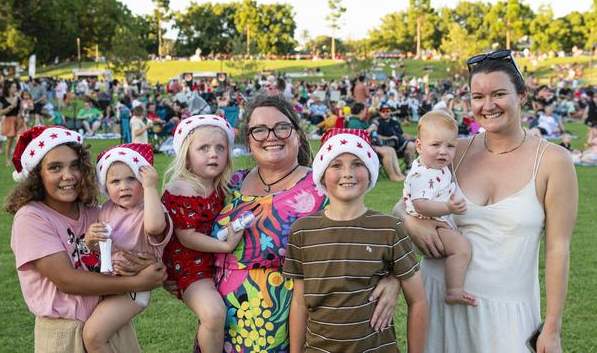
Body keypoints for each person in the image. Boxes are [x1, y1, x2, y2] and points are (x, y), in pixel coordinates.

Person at [395, 50, 577, 352]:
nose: (487, 105)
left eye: (499, 94)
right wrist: (411, 221)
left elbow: (559, 248)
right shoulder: (456, 152)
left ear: (522, 95)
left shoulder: (553, 161)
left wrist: (552, 327)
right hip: (441, 302)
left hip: (508, 315)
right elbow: (406, 201)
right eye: (477, 96)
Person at [200, 95, 401, 353]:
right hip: (220, 325)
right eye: (259, 130)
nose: (271, 136)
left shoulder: (322, 189)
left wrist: (394, 278)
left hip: (288, 327)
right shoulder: (228, 185)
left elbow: (374, 234)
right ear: (248, 140)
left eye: (281, 127)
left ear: (297, 134)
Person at [5, 126, 167, 352]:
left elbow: (135, 244)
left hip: (109, 324)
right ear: (37, 176)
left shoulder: (94, 211)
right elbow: (67, 280)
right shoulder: (32, 218)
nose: (68, 175)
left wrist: (146, 263)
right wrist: (138, 283)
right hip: (63, 332)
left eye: (75, 165)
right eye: (55, 167)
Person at [285, 128, 428, 353]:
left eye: (357, 164)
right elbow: (299, 303)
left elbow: (418, 300)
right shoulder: (302, 231)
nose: (347, 173)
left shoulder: (389, 228)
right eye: (336, 165)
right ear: (322, 174)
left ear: (370, 172)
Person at [162, 115, 243, 353]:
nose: (213, 154)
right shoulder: (183, 188)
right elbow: (187, 236)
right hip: (190, 267)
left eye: (220, 147)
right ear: (186, 154)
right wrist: (226, 246)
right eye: (204, 148)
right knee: (214, 313)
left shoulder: (221, 186)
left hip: (214, 263)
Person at [82, 143, 173, 353]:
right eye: (115, 181)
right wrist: (89, 240)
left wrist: (151, 188)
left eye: (132, 178)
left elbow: (155, 226)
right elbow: (99, 249)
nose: (124, 186)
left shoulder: (149, 209)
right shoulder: (107, 209)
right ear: (105, 186)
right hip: (112, 283)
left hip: (134, 289)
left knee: (93, 336)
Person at [403, 111, 475, 306]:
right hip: (430, 223)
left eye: (450, 146)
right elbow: (420, 204)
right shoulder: (422, 175)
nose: (443, 151)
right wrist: (447, 207)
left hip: (435, 222)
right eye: (435, 145)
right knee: (461, 248)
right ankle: (454, 290)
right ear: (419, 146)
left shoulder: (436, 167)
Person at [0, 82, 26, 167]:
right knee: (9, 142)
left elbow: (22, 109)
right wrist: (11, 106)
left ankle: (21, 161)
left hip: (19, 120)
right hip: (9, 121)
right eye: (13, 87)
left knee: (20, 141)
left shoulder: (18, 98)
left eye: (16, 87)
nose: (15, 89)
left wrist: (21, 112)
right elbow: (0, 112)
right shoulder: (2, 98)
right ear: (8, 88)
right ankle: (8, 160)